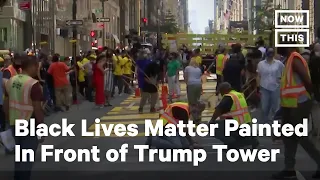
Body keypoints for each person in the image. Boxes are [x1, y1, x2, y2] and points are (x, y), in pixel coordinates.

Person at [272, 45, 320, 179]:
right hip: (290, 104)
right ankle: (289, 168)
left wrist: (311, 95)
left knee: (300, 135)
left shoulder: (295, 58)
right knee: (289, 136)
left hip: (300, 103)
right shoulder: (288, 59)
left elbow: (306, 79)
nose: (277, 48)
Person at [4, 55, 44, 180]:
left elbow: (6, 102)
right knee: (27, 157)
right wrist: (41, 127)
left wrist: (7, 120)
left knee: (19, 155)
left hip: (14, 122)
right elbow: (37, 108)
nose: (37, 69)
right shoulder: (33, 84)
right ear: (31, 67)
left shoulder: (12, 80)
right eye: (36, 67)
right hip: (29, 123)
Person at [208, 82, 259, 149]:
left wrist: (212, 120)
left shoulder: (229, 97)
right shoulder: (239, 94)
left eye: (221, 91)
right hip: (245, 124)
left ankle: (232, 144)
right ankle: (251, 139)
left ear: (224, 89)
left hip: (235, 124)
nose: (221, 94)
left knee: (213, 127)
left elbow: (219, 109)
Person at [257, 48, 284, 124]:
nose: (271, 53)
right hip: (264, 87)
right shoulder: (261, 64)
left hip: (276, 88)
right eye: (269, 52)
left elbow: (284, 74)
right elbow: (258, 76)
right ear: (266, 53)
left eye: (272, 52)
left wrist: (281, 81)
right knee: (264, 107)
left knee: (276, 107)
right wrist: (258, 87)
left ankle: (275, 123)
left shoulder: (279, 64)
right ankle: (263, 122)